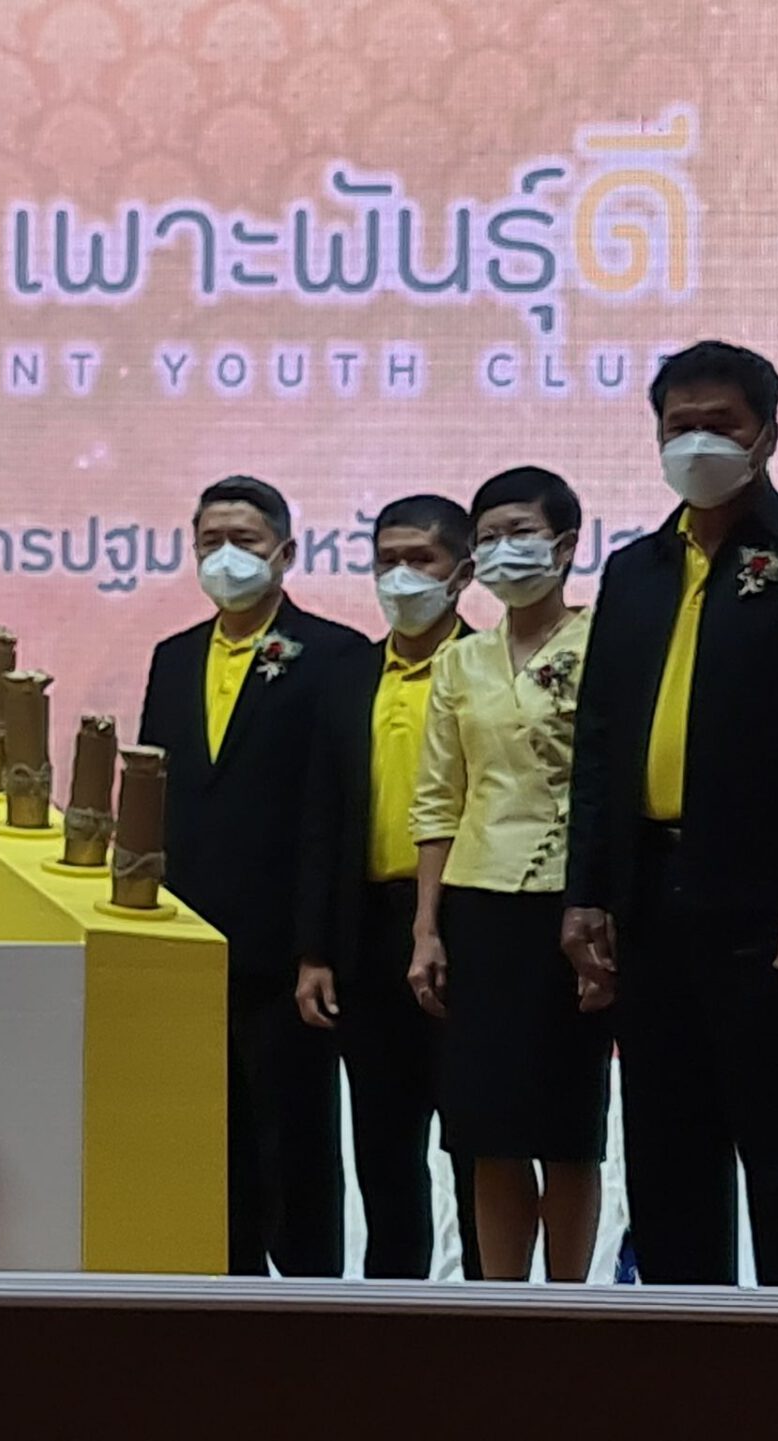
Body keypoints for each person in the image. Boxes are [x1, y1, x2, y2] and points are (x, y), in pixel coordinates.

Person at [563, 340, 778, 1288]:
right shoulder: (634, 570)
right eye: (681, 425)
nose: (698, 442)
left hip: (768, 905)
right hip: (648, 902)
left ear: (767, 435)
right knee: (668, 1157)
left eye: (721, 424)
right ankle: (682, 1357)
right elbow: (598, 742)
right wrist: (586, 894)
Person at [140, 474, 367, 1277]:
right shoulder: (172, 658)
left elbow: (331, 811)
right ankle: (226, 1294)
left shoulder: (334, 654)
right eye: (211, 541)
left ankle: (309, 1302)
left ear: (286, 551)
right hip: (191, 944)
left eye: (244, 539)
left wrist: (317, 947)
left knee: (295, 1142)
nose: (226, 556)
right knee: (212, 1141)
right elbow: (158, 797)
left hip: (287, 952)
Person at [408, 467, 612, 1283]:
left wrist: (603, 907)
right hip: (478, 904)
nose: (503, 550)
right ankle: (501, 1303)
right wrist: (426, 928)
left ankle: (569, 1306)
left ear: (564, 546)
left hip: (573, 904)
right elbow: (437, 800)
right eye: (487, 537)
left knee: (566, 1126)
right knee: (486, 1126)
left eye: (519, 532)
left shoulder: (606, 643)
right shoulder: (461, 662)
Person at [295, 494, 485, 1280]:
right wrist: (314, 950)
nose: (401, 577)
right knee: (382, 1139)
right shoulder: (345, 676)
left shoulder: (493, 667)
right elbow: (318, 819)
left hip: (468, 926)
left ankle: (489, 1299)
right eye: (387, 561)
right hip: (367, 928)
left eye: (421, 560)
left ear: (462, 572)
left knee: (477, 1139)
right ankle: (391, 1303)